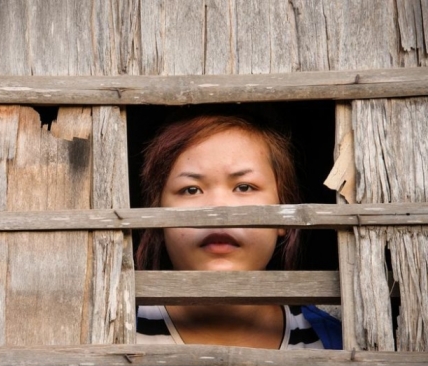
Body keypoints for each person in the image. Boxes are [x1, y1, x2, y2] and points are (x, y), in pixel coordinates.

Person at [135, 108, 342, 349]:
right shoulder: (116, 332)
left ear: (285, 213)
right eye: (191, 189)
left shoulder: (333, 344)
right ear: (157, 217)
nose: (219, 210)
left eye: (244, 187)